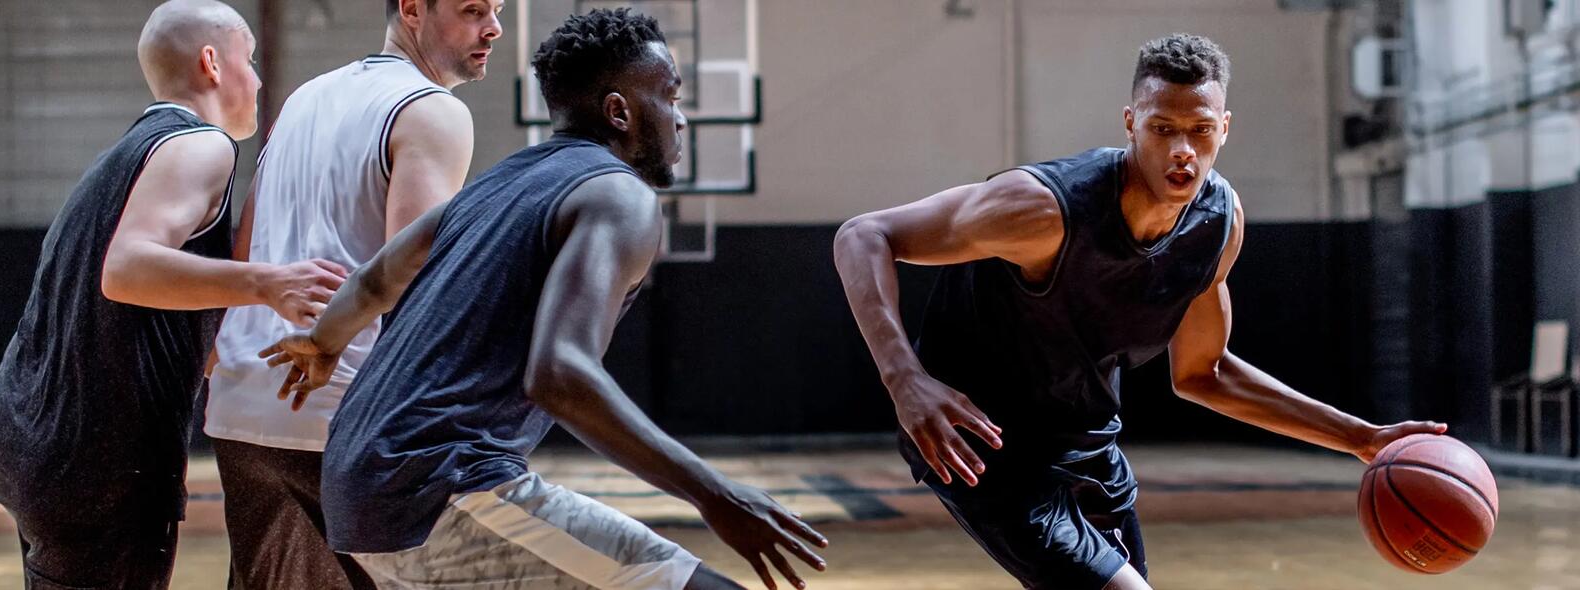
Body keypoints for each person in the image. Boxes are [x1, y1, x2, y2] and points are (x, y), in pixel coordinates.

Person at [831, 33, 1446, 590]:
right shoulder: (1042, 210)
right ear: (1131, 123)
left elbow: (1205, 373)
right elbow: (864, 235)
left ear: (1225, 128)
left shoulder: (1218, 223)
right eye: (1162, 128)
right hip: (984, 448)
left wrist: (1360, 439)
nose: (1182, 150)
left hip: (1091, 443)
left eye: (1200, 130)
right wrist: (904, 378)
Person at [263, 9, 828, 590]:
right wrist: (715, 494)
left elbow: (375, 279)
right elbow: (559, 374)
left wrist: (320, 342)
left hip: (357, 482)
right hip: (440, 486)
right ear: (619, 112)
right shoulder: (618, 196)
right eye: (670, 97)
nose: (680, 120)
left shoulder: (497, 181)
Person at [0, 2, 342, 587]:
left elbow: (136, 310)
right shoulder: (203, 146)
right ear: (211, 63)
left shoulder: (126, 155)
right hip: (96, 459)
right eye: (248, 60)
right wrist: (269, 283)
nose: (257, 77)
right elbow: (126, 269)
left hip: (27, 436)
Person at [203, 0, 500, 587]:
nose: (492, 27)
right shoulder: (433, 110)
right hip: (343, 412)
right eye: (472, 10)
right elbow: (417, 280)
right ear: (412, 9)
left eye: (497, 10)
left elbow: (247, 240)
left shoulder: (304, 98)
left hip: (243, 403)